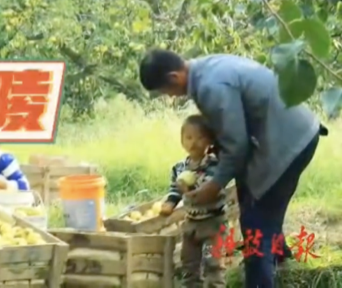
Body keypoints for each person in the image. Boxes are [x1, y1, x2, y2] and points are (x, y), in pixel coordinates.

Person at [139, 50, 326, 288]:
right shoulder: (206, 67)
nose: (170, 96)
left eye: (166, 91)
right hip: (297, 131)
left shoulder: (210, 86)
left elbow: (237, 147)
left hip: (288, 141)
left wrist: (214, 185)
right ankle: (280, 259)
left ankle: (261, 279)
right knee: (253, 198)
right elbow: (233, 128)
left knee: (256, 224)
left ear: (174, 78)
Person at [160, 115, 227, 287]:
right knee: (189, 263)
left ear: (209, 140)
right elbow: (175, 189)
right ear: (182, 141)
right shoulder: (179, 168)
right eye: (188, 138)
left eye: (199, 138)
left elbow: (209, 189)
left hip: (213, 223)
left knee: (213, 263)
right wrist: (170, 203)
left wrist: (189, 189)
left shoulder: (214, 165)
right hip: (191, 223)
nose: (193, 143)